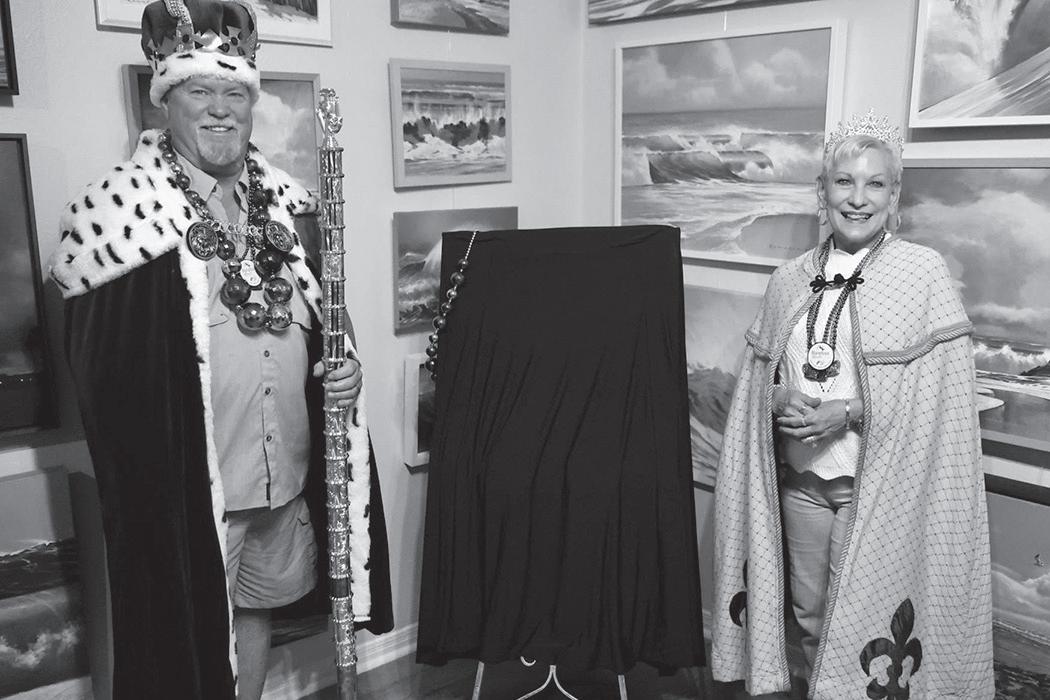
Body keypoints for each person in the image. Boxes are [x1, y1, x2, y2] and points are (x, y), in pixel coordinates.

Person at [48, 2, 391, 698]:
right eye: (199, 91)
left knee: (255, 609)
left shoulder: (290, 207)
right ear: (166, 100)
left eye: (234, 93)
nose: (219, 109)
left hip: (281, 477)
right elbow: (103, 374)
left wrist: (346, 371)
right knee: (185, 639)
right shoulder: (119, 214)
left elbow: (327, 324)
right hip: (193, 493)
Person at [710, 111, 993, 699]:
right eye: (844, 182)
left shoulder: (921, 273)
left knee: (859, 628)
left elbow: (940, 394)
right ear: (823, 191)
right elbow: (762, 379)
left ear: (894, 196)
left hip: (879, 490)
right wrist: (778, 396)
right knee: (810, 617)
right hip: (801, 484)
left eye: (875, 184)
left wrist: (848, 412)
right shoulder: (790, 278)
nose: (858, 199)